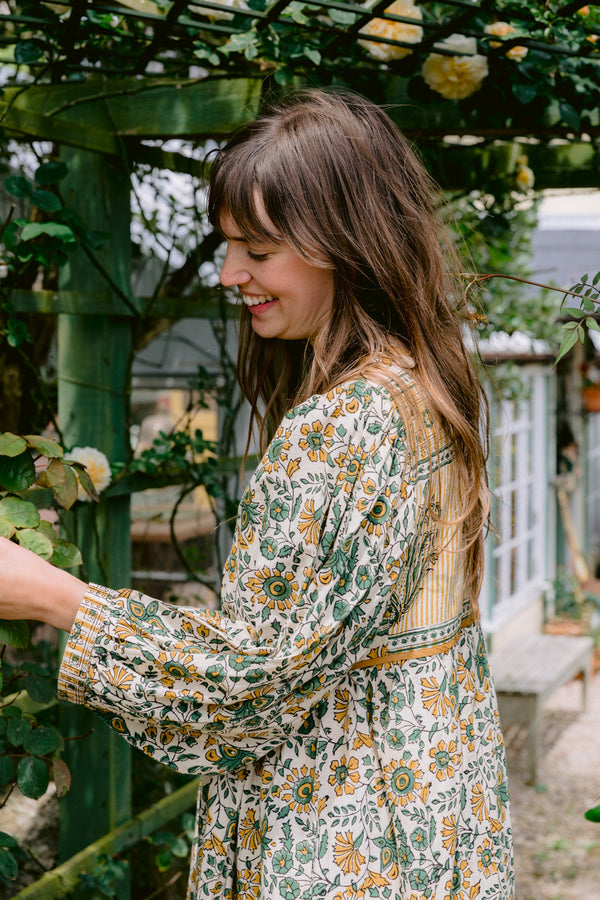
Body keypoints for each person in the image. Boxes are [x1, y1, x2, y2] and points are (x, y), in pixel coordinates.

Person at [0, 89, 514, 899]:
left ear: (346, 245)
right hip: (431, 806)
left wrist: (55, 597)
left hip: (338, 834)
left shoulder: (343, 426)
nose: (230, 274)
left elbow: (251, 683)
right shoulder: (424, 389)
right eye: (228, 245)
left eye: (260, 251)